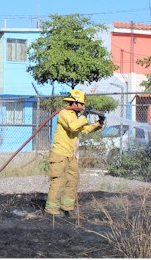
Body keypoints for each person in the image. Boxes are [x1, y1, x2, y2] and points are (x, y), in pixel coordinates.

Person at [45, 89, 104, 217]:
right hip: (59, 154)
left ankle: (67, 207)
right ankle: (51, 210)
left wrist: (99, 123)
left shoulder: (75, 116)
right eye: (82, 104)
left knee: (73, 179)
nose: (83, 107)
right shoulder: (64, 114)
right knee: (59, 181)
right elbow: (73, 127)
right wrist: (84, 116)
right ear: (75, 103)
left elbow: (85, 129)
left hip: (70, 155)